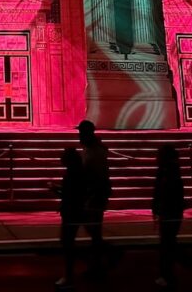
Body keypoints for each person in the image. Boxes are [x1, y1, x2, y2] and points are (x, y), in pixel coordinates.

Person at [77, 119, 112, 277]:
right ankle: (97, 263)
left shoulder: (95, 151)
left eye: (81, 133)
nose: (79, 135)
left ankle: (102, 260)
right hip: (92, 194)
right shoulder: (90, 149)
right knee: (93, 230)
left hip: (95, 195)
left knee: (94, 230)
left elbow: (97, 176)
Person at [51, 147, 86, 290]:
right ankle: (71, 273)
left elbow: (68, 194)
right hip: (75, 209)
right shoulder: (78, 172)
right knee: (68, 241)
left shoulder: (71, 174)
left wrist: (54, 190)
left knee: (67, 242)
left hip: (71, 211)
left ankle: (69, 276)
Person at [152, 145, 186, 289]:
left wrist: (157, 208)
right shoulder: (170, 171)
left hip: (170, 211)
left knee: (167, 243)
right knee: (168, 242)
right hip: (171, 211)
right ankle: (168, 272)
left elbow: (164, 192)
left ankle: (168, 275)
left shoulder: (168, 172)